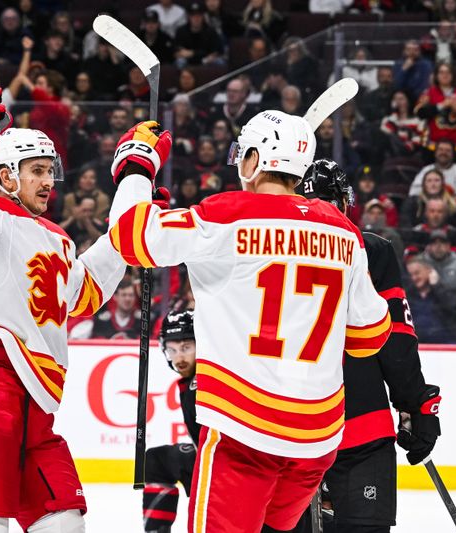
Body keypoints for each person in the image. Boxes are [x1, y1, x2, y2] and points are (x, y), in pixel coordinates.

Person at [106, 113, 391, 532]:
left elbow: (129, 239)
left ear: (255, 159)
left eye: (243, 154)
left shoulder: (226, 214)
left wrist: (136, 166)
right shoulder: (344, 232)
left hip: (245, 433)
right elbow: (369, 337)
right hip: (315, 441)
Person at [0, 88, 126, 533]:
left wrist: (127, 233)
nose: (48, 180)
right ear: (5, 176)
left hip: (37, 396)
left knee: (65, 522)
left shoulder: (58, 237)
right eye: (36, 171)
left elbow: (85, 291)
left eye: (49, 170)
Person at [291, 159, 441, 533]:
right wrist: (415, 405)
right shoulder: (370, 249)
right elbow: (395, 339)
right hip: (360, 427)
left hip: (286, 430)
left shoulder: (270, 248)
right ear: (345, 201)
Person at [142, 309, 199, 533]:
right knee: (158, 460)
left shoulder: (202, 382)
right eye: (172, 350)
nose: (179, 358)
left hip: (228, 469)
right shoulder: (192, 381)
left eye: (186, 348)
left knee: (157, 460)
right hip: (209, 457)